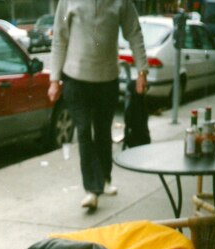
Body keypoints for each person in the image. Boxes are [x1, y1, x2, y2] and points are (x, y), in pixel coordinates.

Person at [48, 0, 148, 211]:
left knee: (102, 131)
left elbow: (134, 33)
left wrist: (142, 71)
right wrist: (54, 79)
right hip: (75, 78)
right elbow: (60, 37)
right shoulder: (68, 3)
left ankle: (104, 178)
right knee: (84, 131)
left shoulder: (121, 3)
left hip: (107, 80)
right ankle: (92, 190)